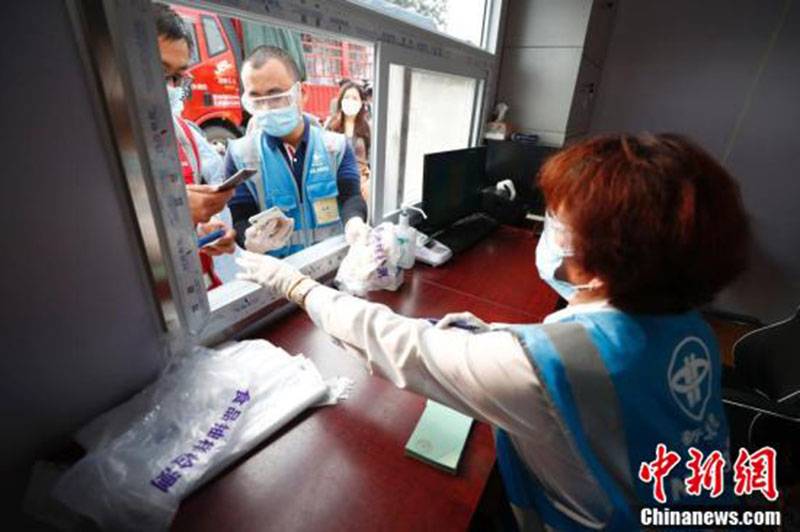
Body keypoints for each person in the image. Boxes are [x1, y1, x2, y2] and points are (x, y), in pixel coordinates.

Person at [235, 133, 751, 530]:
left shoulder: (541, 369)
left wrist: (296, 287)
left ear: (602, 267)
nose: (547, 231)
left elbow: (393, 343)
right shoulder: (687, 324)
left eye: (558, 224)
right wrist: (502, 334)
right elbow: (601, 359)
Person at [226, 47, 368, 258]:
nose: (266, 108)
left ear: (301, 93)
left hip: (332, 265)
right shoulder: (240, 155)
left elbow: (351, 196)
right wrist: (247, 238)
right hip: (281, 275)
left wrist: (354, 223)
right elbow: (239, 213)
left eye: (276, 97)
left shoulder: (335, 147)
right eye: (256, 99)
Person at [152, 4, 236, 288]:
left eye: (177, 77)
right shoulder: (87, 146)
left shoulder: (187, 136)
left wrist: (204, 232)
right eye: (160, 74)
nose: (171, 88)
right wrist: (172, 209)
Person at [325, 82, 371, 202]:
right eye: (347, 97)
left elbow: (374, 160)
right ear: (340, 101)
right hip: (335, 185)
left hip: (361, 187)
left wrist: (369, 181)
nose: (350, 101)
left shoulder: (368, 128)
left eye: (355, 98)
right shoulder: (330, 126)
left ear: (361, 103)